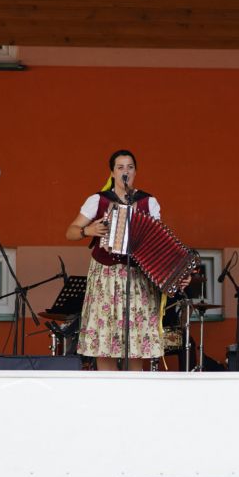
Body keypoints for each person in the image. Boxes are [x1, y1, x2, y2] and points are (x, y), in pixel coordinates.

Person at [65, 149, 163, 371]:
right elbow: (70, 231)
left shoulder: (148, 202)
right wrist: (88, 230)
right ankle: (107, 386)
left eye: (130, 167)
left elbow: (157, 239)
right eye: (120, 167)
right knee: (104, 341)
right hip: (105, 276)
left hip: (137, 277)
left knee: (136, 343)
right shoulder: (98, 200)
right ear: (112, 173)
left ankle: (133, 387)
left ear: (135, 172)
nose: (125, 171)